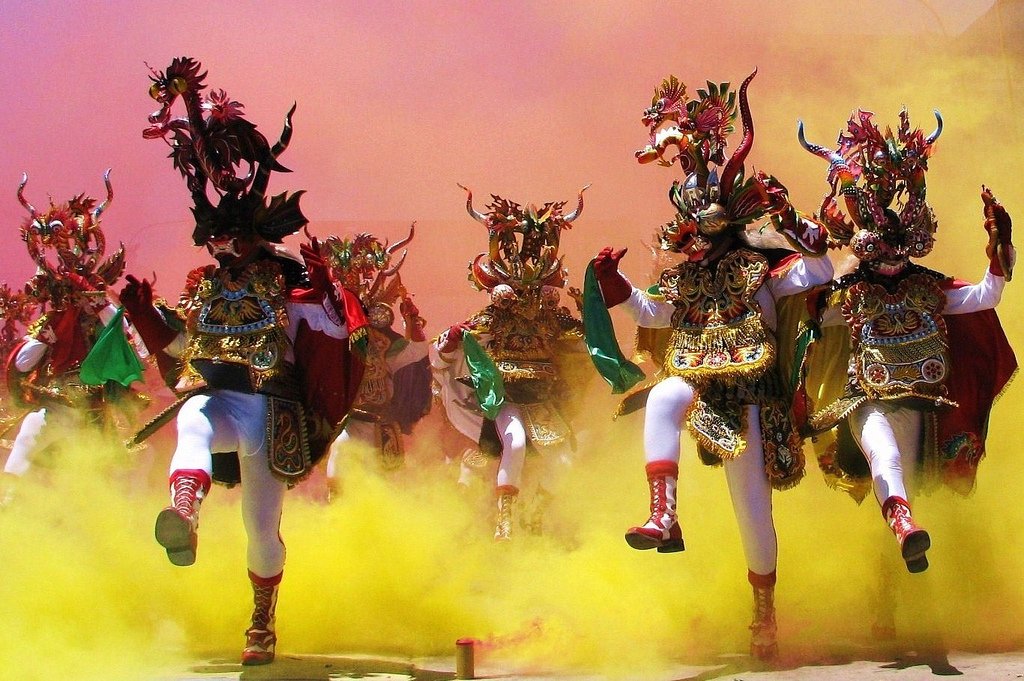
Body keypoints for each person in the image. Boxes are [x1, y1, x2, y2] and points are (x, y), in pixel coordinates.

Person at [123, 56, 365, 666]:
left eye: (230, 236)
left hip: (273, 413)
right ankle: (185, 508)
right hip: (222, 399)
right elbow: (186, 356)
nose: (220, 245)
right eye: (213, 237)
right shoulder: (203, 286)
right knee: (193, 415)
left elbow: (335, 335)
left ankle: (261, 621)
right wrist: (149, 319)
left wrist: (328, 285)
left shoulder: (288, 285)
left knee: (261, 527)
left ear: (258, 233)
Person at [586, 71, 832, 659]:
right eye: (689, 225)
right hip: (701, 384)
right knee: (666, 394)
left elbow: (820, 272)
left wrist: (795, 228)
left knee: (751, 514)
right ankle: (662, 516)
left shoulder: (764, 269)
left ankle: (764, 608)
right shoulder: (684, 277)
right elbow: (651, 310)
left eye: (705, 222)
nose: (695, 237)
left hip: (751, 398)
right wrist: (613, 282)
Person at [796, 109, 1016, 574]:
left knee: (901, 480)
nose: (893, 254)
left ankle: (889, 581)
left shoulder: (930, 288)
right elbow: (805, 309)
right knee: (886, 456)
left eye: (901, 244)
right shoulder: (845, 295)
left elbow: (985, 295)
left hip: (920, 403)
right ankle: (903, 527)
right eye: (882, 244)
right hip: (866, 401)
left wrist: (998, 244)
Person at [431, 185, 590, 540]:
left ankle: (535, 514)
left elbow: (582, 339)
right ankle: (506, 521)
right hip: (505, 396)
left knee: (565, 460)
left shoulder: (552, 318)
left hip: (542, 399)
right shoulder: (495, 315)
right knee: (514, 442)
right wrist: (453, 339)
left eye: (536, 290)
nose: (528, 298)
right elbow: (449, 344)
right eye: (518, 289)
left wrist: (588, 313)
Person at [2, 171, 143, 503]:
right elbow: (22, 363)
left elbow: (135, 351)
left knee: (115, 472)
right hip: (55, 402)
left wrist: (97, 303)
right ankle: (7, 502)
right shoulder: (54, 319)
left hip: (98, 409)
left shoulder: (106, 311)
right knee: (28, 433)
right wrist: (53, 329)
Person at [319, 228, 431, 492]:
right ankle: (336, 520)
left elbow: (416, 352)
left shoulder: (384, 342)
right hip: (346, 419)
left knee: (383, 483)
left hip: (381, 420)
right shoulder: (330, 337)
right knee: (339, 461)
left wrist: (412, 320)